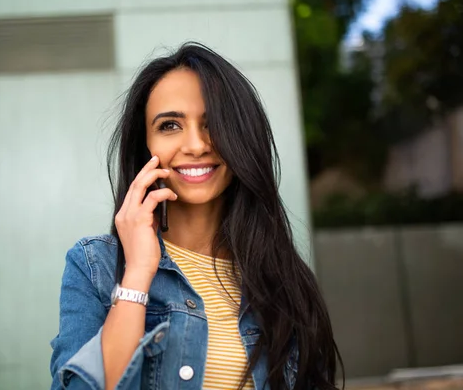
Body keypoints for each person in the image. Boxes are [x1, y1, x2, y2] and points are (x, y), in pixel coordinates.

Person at [49, 42, 342, 390]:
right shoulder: (95, 265)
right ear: (146, 146)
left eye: (214, 123)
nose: (196, 145)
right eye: (170, 125)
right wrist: (139, 272)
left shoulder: (281, 276)